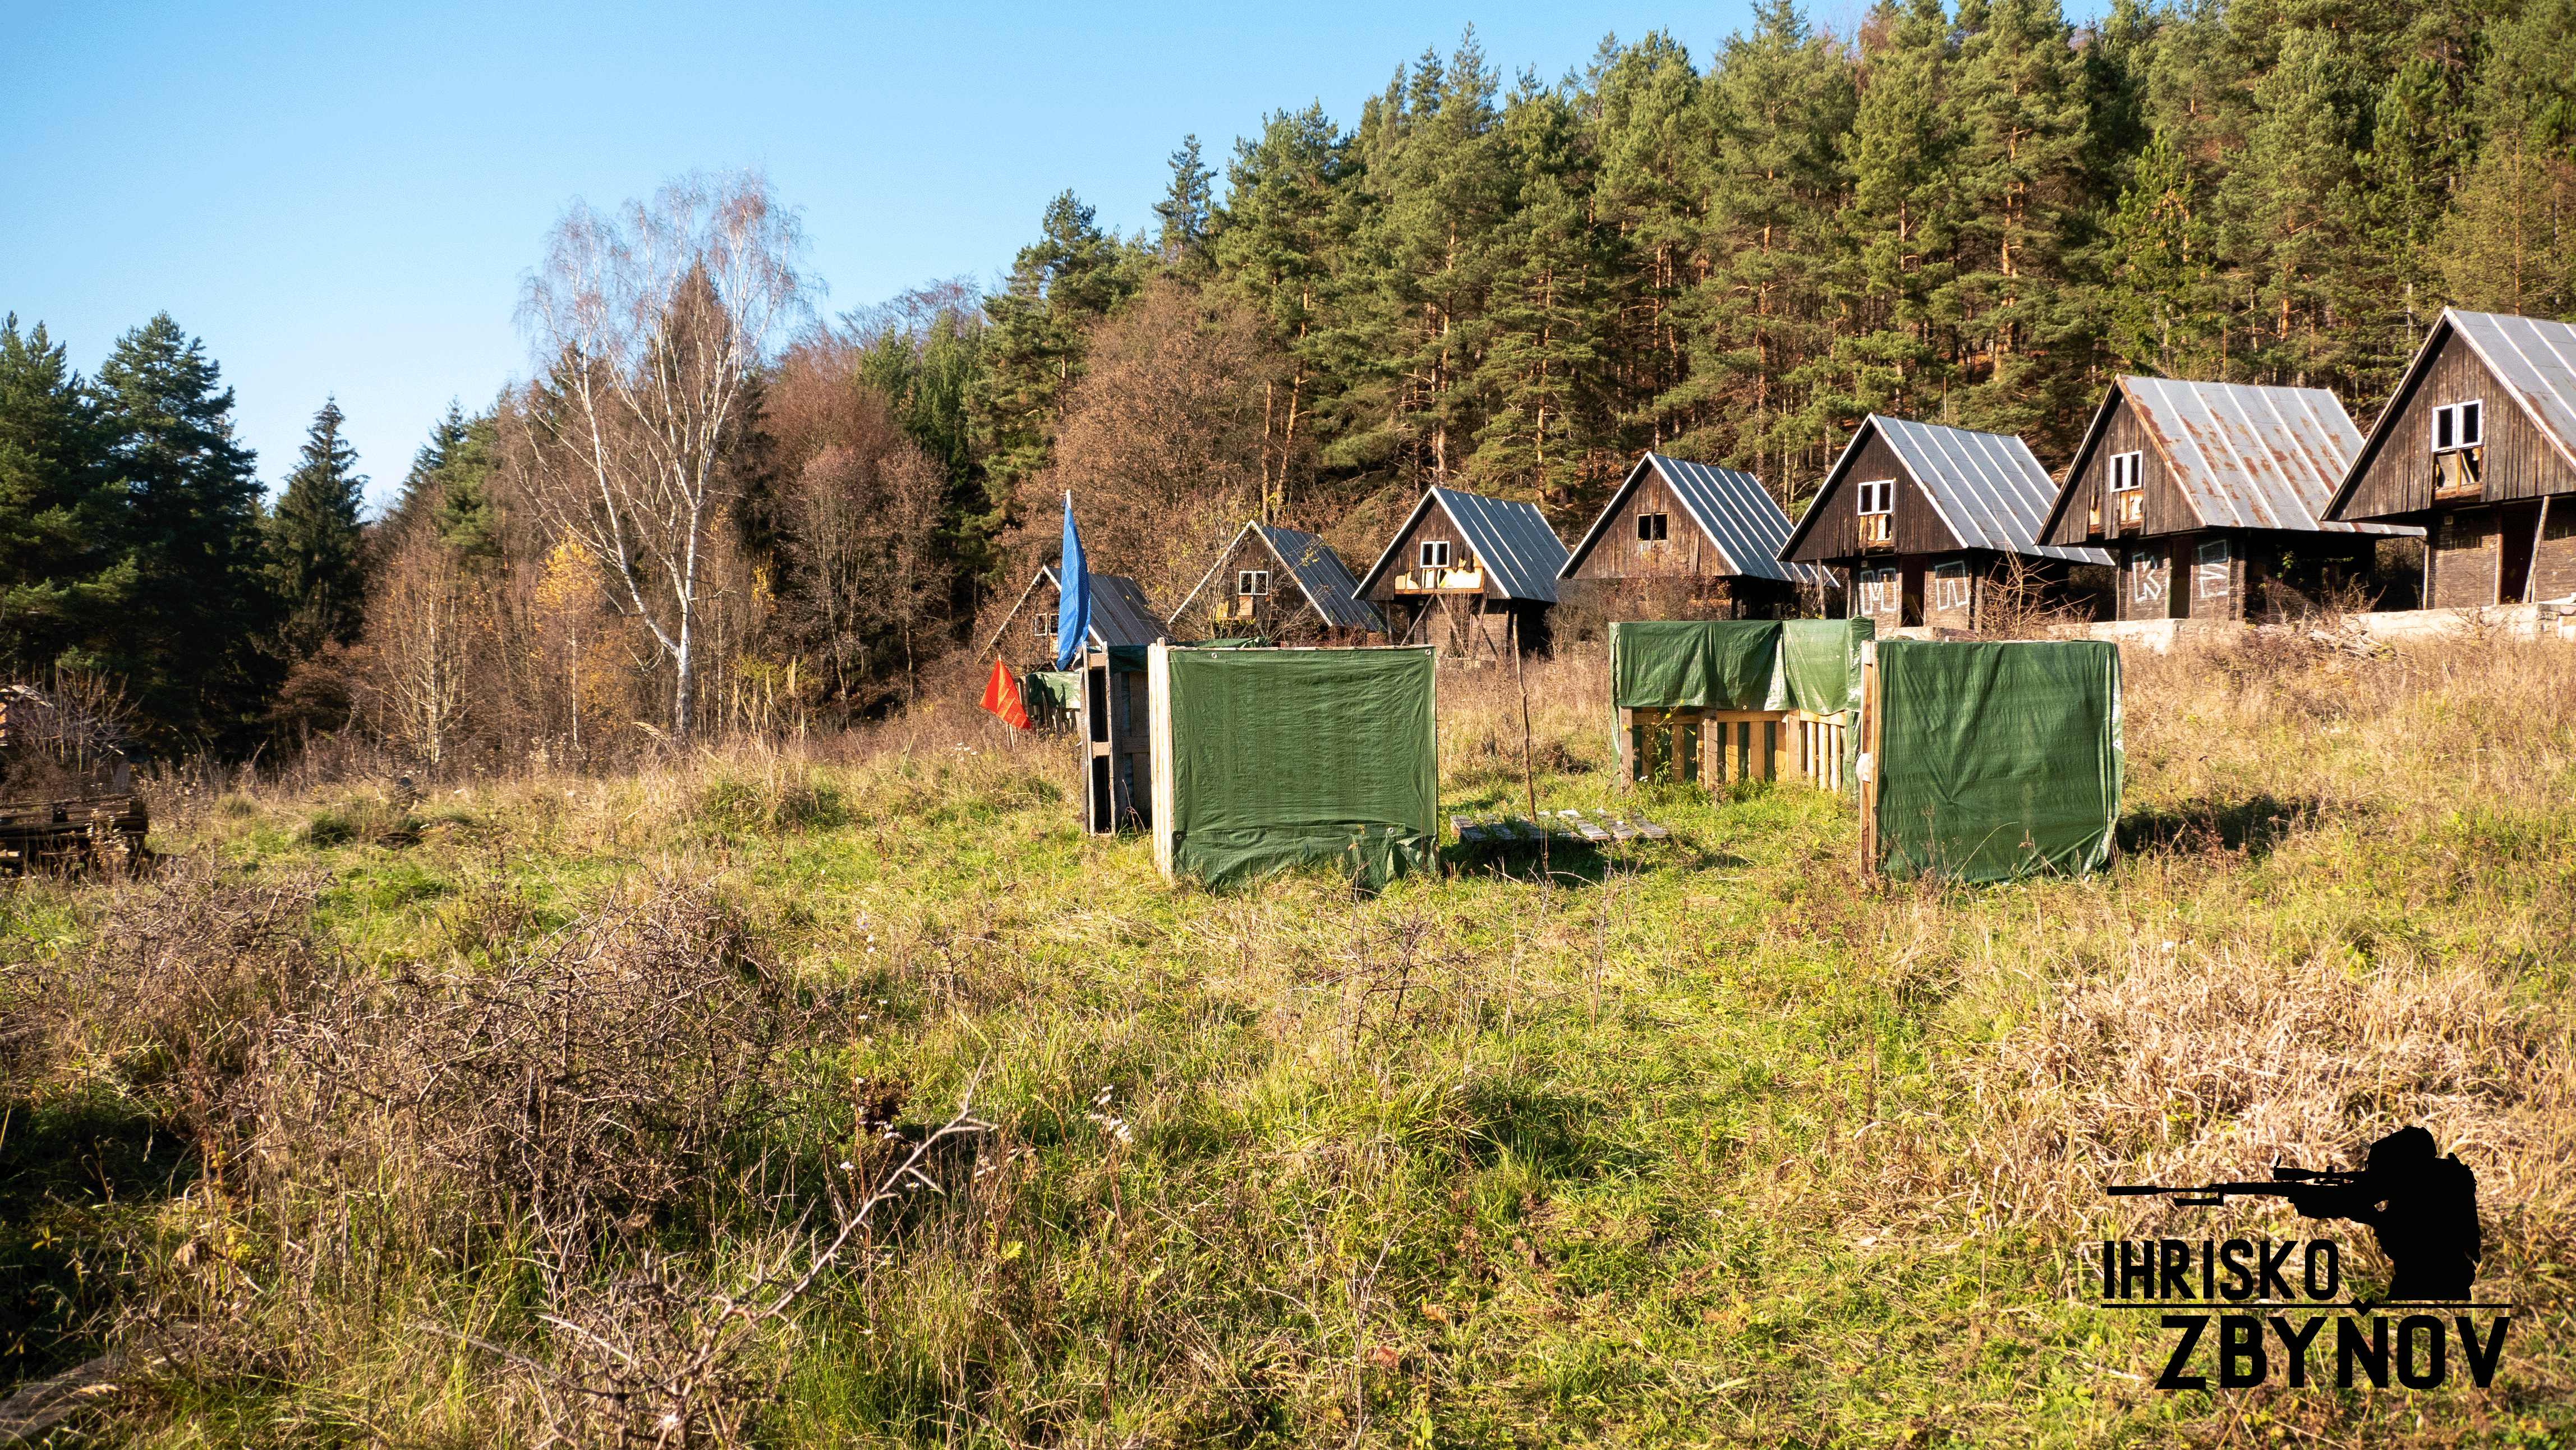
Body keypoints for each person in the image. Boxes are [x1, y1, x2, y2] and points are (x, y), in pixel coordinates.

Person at [2288, 1126, 2482, 1302]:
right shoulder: (2450, 1174)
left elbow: (2344, 1202)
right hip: (2455, 1277)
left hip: (2422, 1278)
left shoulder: (2412, 1177)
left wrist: (2371, 1217)